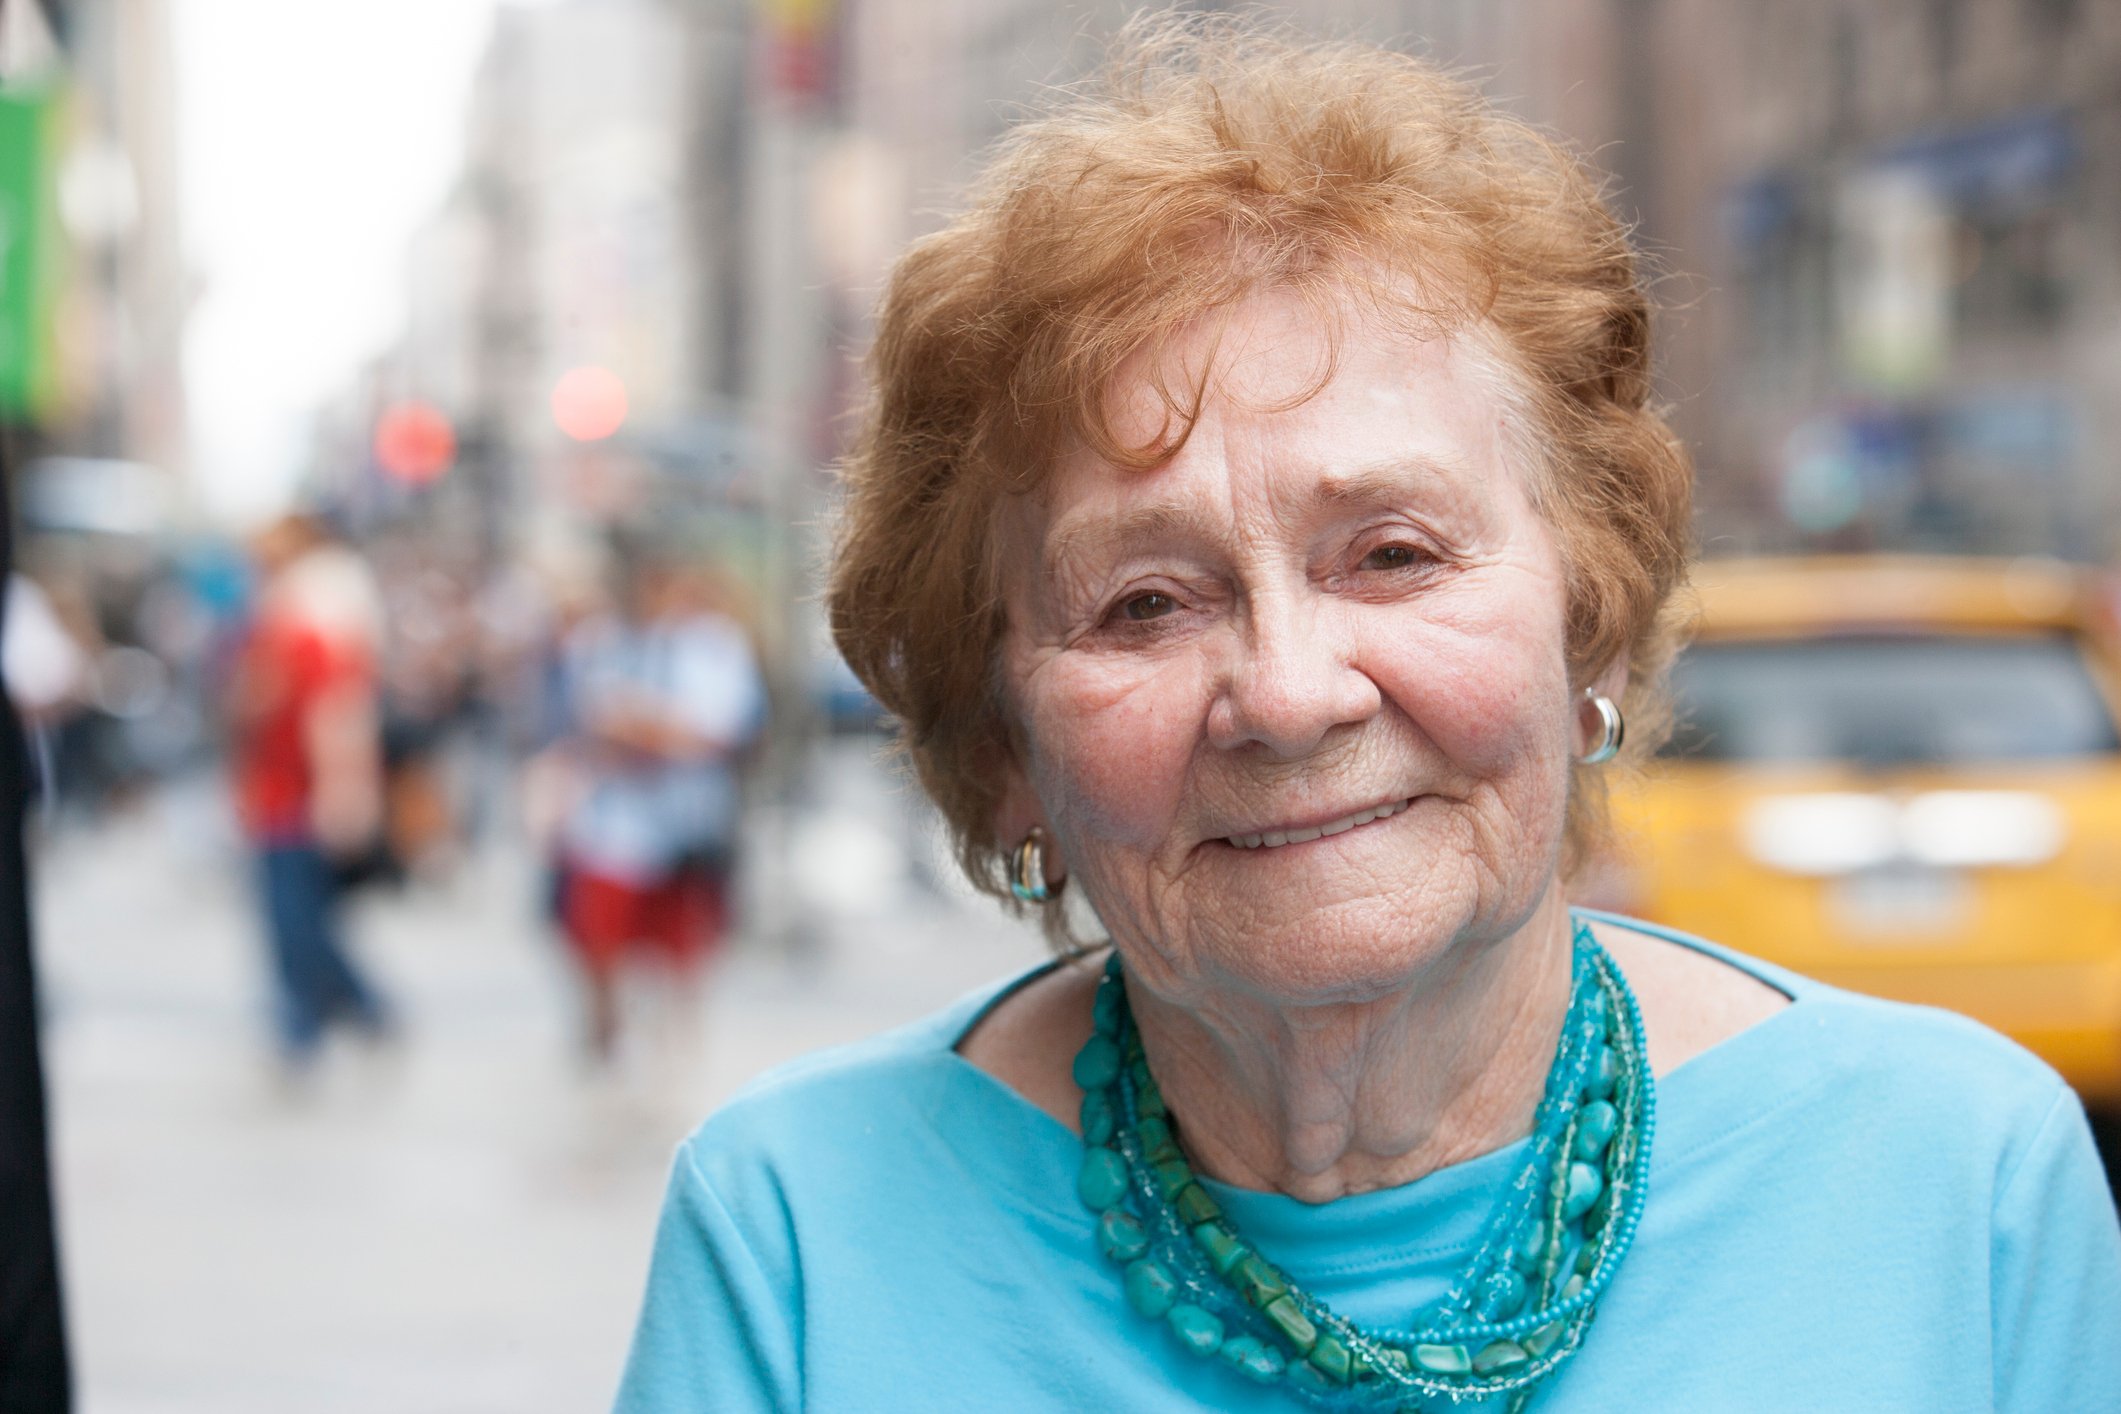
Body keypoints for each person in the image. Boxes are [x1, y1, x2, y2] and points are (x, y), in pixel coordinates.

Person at [615, 20, 2121, 1411]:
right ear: (1002, 740)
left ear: (1584, 612)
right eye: (1144, 602)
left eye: (1392, 555)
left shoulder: (1960, 1185)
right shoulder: (793, 1235)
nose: (1285, 691)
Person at [550, 557, 762, 1062]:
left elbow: (717, 730)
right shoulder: (600, 643)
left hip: (685, 823)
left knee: (681, 942)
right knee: (597, 936)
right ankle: (605, 1036)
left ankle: (676, 1044)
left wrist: (649, 729)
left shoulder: (712, 647)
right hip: (610, 824)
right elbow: (594, 720)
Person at [227, 513, 392, 1069]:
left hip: (299, 798)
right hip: (274, 795)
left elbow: (335, 718)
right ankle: (314, 1019)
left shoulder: (308, 634)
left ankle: (347, 1012)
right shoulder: (277, 629)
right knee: (291, 921)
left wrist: (343, 792)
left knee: (299, 921)